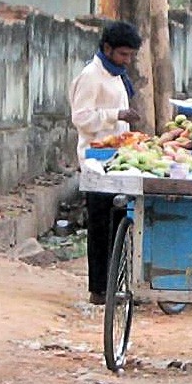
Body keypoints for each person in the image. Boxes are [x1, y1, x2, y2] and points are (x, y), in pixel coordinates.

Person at [70, 21, 142, 305]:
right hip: (95, 160)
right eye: (123, 54)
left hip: (117, 158)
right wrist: (117, 115)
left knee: (117, 223)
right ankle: (99, 288)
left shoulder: (116, 75)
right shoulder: (91, 76)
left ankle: (116, 284)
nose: (127, 60)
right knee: (100, 226)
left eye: (130, 56)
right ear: (107, 49)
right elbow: (82, 118)